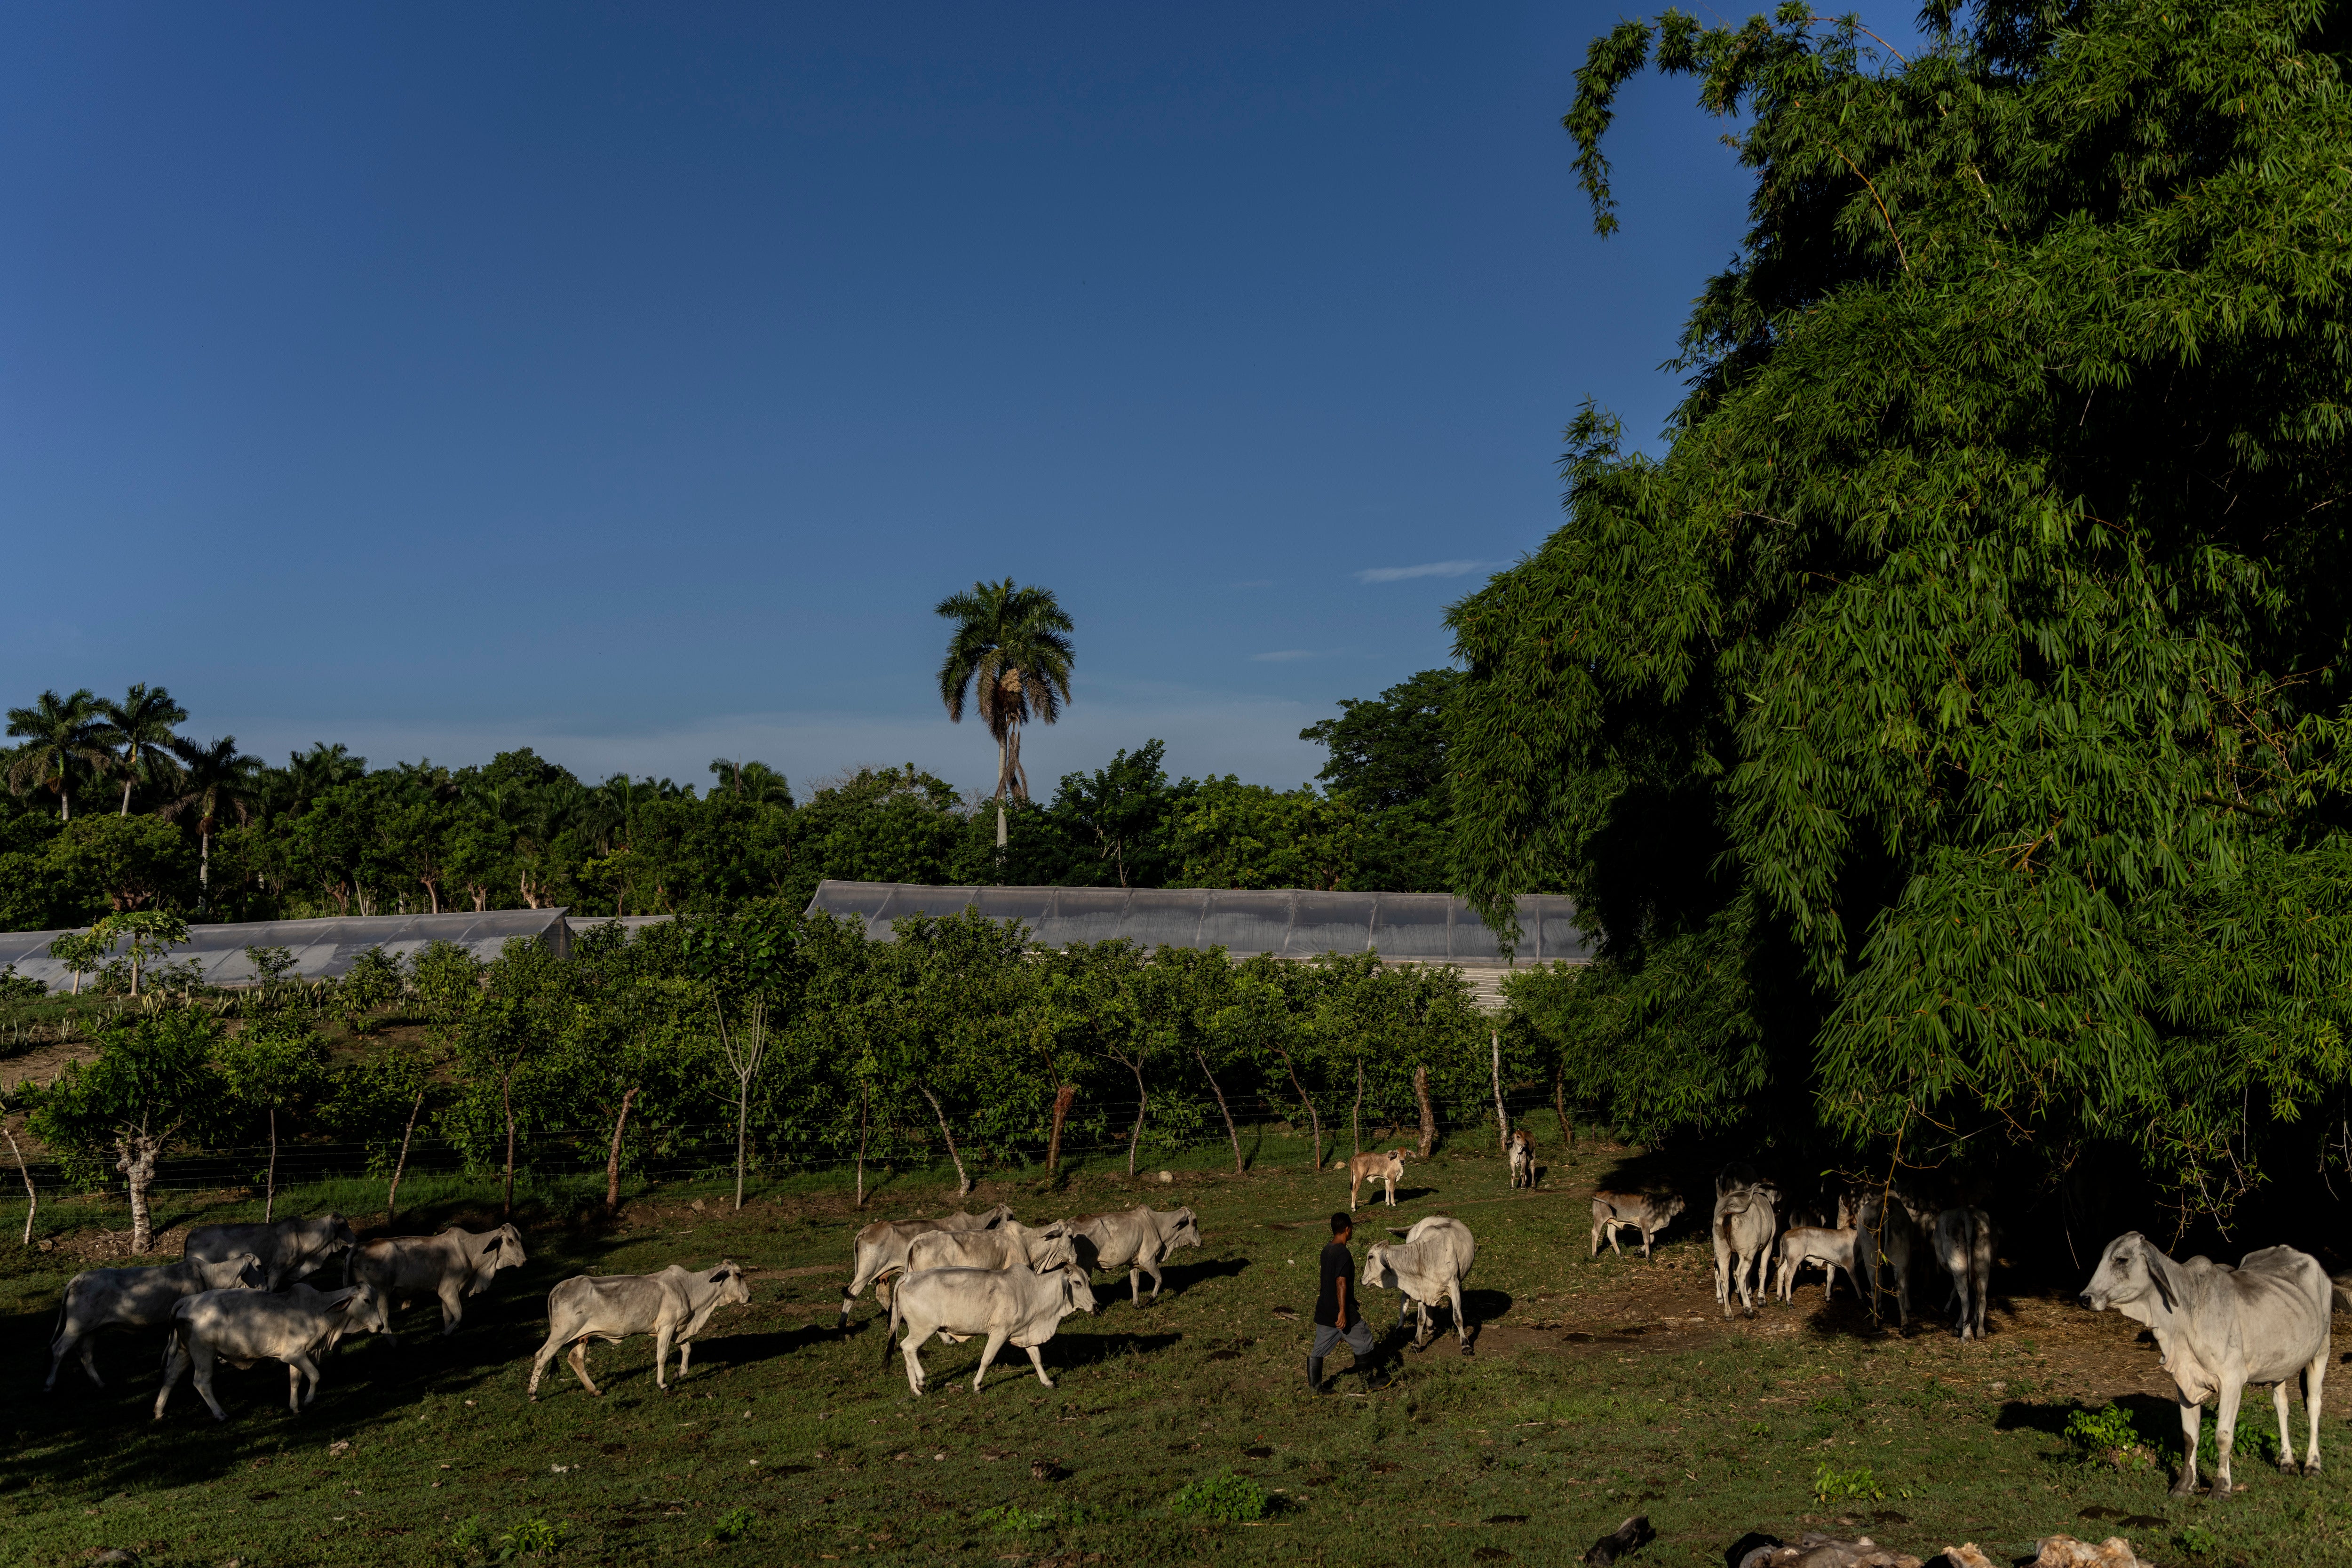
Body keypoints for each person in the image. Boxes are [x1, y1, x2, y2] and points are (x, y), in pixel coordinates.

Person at [1309, 1210, 1381, 1394]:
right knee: (1364, 1339)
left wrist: (1351, 1299)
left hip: (1324, 1308)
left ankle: (1315, 1388)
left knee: (1319, 1348)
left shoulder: (1327, 1250)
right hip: (1340, 1311)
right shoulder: (1344, 1254)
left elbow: (1329, 1279)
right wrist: (1343, 1311)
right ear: (1347, 1229)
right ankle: (1368, 1382)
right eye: (1352, 1229)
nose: (1352, 1232)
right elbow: (1340, 1281)